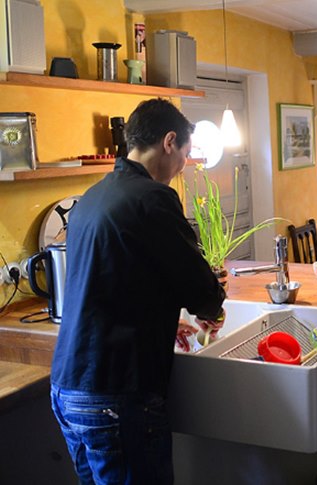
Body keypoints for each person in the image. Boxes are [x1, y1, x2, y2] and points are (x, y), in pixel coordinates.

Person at [50, 98, 226, 484]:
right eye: (185, 153)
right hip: (115, 392)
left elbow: (118, 279)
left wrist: (163, 318)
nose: (183, 166)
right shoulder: (153, 198)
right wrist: (211, 303)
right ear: (168, 142)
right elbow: (201, 291)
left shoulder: (92, 197)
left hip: (68, 388)